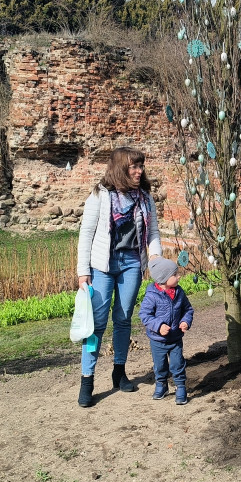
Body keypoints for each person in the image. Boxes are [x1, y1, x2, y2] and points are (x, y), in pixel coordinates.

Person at [75, 146, 163, 408]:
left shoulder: (144, 197)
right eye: (133, 167)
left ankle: (119, 372)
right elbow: (86, 235)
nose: (139, 171)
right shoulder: (99, 196)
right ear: (119, 169)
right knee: (97, 323)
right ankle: (87, 379)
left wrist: (155, 257)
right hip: (103, 265)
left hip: (131, 263)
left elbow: (153, 232)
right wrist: (83, 272)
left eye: (141, 166)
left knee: (123, 319)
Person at [138, 257, 194, 405]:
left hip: (175, 338)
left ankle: (181, 387)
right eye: (175, 274)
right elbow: (144, 315)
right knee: (160, 365)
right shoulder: (152, 296)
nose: (179, 276)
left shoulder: (179, 293)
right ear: (163, 278)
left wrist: (185, 321)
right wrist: (158, 326)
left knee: (178, 364)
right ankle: (161, 385)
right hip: (158, 340)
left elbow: (188, 309)